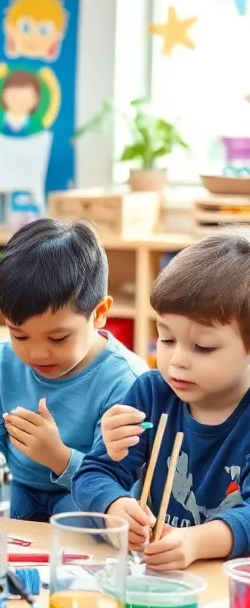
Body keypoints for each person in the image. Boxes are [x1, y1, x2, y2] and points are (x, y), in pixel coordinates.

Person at [74, 232, 250, 570]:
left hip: (229, 588)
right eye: (166, 339)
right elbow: (94, 473)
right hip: (158, 578)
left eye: (203, 347)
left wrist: (197, 541)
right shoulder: (152, 394)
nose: (176, 360)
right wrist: (114, 506)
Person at [0, 219, 146, 521]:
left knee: (92, 524)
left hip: (81, 493)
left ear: (100, 314)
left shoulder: (126, 379)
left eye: (58, 338)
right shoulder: (0, 360)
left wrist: (58, 457)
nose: (37, 352)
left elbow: (117, 478)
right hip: (16, 487)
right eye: (20, 335)